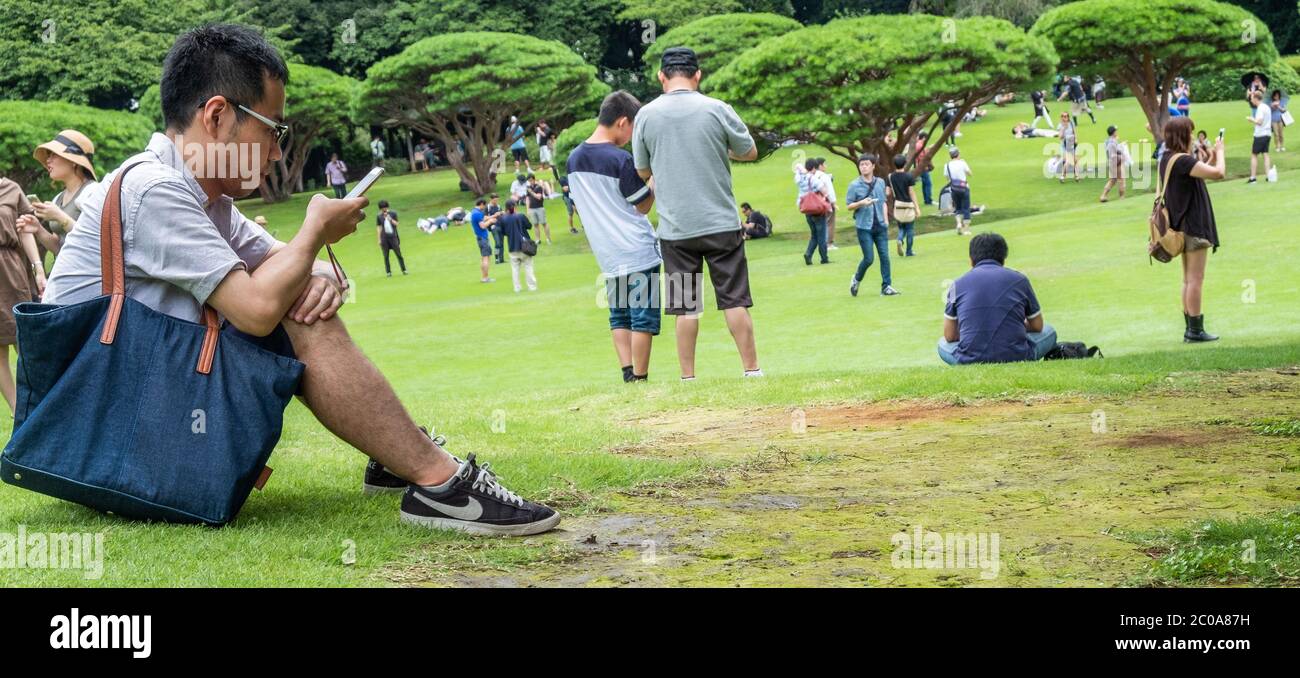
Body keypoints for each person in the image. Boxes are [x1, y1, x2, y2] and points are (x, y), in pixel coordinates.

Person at [41, 23, 558, 536]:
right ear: (218, 116)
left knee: (297, 295)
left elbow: (291, 264)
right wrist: (313, 236)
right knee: (290, 311)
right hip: (108, 429)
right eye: (274, 129)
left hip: (137, 410)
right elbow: (258, 308)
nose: (277, 151)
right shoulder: (153, 191)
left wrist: (320, 267)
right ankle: (440, 484)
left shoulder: (205, 197)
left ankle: (401, 457)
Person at [631, 46, 762, 380]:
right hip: (720, 222)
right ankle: (752, 370)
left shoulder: (645, 115)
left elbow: (643, 171)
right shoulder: (717, 108)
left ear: (662, 76)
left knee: (685, 307)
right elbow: (749, 152)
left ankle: (688, 378)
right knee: (734, 300)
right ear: (697, 75)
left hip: (676, 229)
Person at [566, 90, 662, 382]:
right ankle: (642, 377)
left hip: (607, 254)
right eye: (633, 127)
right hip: (637, 249)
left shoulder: (573, 159)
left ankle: (628, 373)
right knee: (643, 316)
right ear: (622, 122)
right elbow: (643, 205)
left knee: (619, 315)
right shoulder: (620, 159)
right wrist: (655, 176)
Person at [939, 233, 1056, 365]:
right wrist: (1010, 325)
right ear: (1003, 258)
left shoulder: (956, 284)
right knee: (1049, 331)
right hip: (1018, 355)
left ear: (971, 259)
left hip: (969, 360)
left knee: (942, 343)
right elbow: (1037, 326)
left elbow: (949, 335)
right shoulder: (1019, 280)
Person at [1159, 116, 1225, 342]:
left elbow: (1200, 173)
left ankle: (1191, 327)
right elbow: (1219, 174)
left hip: (1181, 226)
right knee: (1196, 279)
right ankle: (1195, 330)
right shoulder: (1184, 161)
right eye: (1191, 133)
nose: (1194, 138)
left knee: (1188, 280)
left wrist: (1212, 156)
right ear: (1183, 135)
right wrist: (1221, 151)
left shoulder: (1168, 158)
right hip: (1194, 225)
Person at [18, 130, 99, 265]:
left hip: (87, 274)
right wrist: (38, 228)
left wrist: (59, 216)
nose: (48, 160)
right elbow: (58, 247)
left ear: (73, 161)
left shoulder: (92, 192)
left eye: (54, 155)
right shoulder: (58, 198)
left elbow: (94, 239)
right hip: (64, 271)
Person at [0, 176, 45, 413]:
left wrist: (38, 267)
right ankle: (19, 412)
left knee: (25, 342)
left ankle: (40, 404)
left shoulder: (10, 188)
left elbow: (25, 230)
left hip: (10, 269)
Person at [845, 153, 899, 298]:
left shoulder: (880, 182)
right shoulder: (854, 185)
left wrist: (886, 220)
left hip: (880, 225)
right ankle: (856, 279)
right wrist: (861, 203)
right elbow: (849, 206)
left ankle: (886, 286)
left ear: (873, 166)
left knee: (885, 257)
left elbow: (882, 202)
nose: (863, 167)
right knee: (869, 258)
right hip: (864, 227)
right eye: (861, 164)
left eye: (866, 164)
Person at [796, 157, 831, 265]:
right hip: (817, 209)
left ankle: (809, 254)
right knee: (821, 235)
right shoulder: (813, 178)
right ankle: (824, 258)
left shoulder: (799, 179)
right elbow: (824, 191)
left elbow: (798, 168)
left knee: (814, 234)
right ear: (814, 168)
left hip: (806, 209)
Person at [497, 199, 537, 292]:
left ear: (506, 208)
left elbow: (502, 232)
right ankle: (532, 287)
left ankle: (517, 288)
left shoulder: (503, 219)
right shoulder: (521, 216)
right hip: (525, 247)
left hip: (512, 246)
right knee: (528, 266)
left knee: (515, 269)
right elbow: (529, 226)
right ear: (515, 207)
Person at [887, 154, 920, 257]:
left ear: (894, 164)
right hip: (908, 205)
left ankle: (900, 239)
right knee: (910, 229)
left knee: (901, 228)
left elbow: (887, 193)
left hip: (898, 205)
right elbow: (911, 193)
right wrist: (917, 208)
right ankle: (909, 251)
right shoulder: (909, 176)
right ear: (905, 163)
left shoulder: (890, 177)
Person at [943, 147, 973, 235]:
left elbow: (947, 177)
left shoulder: (947, 165)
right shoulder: (962, 163)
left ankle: (959, 223)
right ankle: (966, 229)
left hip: (954, 188)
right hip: (964, 187)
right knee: (966, 208)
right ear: (958, 154)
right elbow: (970, 173)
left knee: (957, 208)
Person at [468, 198, 497, 283]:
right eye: (484, 206)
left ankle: (484, 277)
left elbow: (483, 218)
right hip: (483, 238)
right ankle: (485, 278)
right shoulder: (477, 214)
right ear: (481, 204)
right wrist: (491, 221)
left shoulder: (474, 212)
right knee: (486, 258)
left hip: (480, 238)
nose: (484, 208)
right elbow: (483, 226)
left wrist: (492, 216)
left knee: (484, 258)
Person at [1248, 90, 1274, 183]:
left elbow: (1259, 122)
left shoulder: (1260, 108)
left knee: (1254, 155)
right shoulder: (1266, 107)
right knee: (1265, 154)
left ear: (1256, 98)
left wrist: (1251, 119)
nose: (1251, 101)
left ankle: (1253, 178)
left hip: (1260, 134)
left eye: (1252, 99)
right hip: (1267, 134)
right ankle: (1268, 176)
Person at [375, 200, 406, 277]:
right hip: (384, 238)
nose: (384, 210)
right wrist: (379, 239)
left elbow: (397, 224)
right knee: (386, 256)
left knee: (399, 254)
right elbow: (379, 227)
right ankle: (388, 272)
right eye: (382, 208)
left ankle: (404, 269)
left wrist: (390, 219)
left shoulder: (393, 213)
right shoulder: (379, 216)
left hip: (393, 237)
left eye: (385, 208)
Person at [1099, 125, 1128, 202]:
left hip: (1113, 162)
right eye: (1116, 131)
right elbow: (1113, 154)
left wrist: (1121, 144)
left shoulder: (1110, 141)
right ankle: (1122, 197)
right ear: (1114, 132)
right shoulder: (1112, 142)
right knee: (1120, 179)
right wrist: (1121, 158)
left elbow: (1116, 149)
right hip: (1116, 162)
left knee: (1113, 180)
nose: (1117, 132)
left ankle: (1103, 196)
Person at [525, 173, 552, 244]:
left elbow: (539, 197)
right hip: (532, 209)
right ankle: (537, 239)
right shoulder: (528, 188)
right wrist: (528, 209)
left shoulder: (538, 187)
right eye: (529, 181)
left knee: (544, 223)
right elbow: (527, 199)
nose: (530, 182)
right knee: (535, 224)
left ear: (534, 179)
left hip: (539, 208)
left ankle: (548, 239)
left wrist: (531, 192)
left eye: (531, 180)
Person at [818, 157, 839, 250]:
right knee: (830, 223)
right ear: (820, 166)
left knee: (821, 224)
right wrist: (833, 203)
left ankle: (822, 243)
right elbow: (830, 191)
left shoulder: (811, 176)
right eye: (824, 164)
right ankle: (829, 244)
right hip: (826, 202)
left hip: (816, 203)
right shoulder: (825, 176)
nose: (825, 166)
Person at [913, 131, 934, 206]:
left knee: (925, 184)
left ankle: (927, 200)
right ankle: (928, 200)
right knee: (928, 183)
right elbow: (922, 157)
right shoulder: (919, 145)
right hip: (922, 167)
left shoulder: (918, 144)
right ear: (924, 138)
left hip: (920, 167)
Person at [1057, 112, 1078, 183]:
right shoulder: (1060, 125)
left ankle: (1076, 176)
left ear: (1068, 117)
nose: (1065, 117)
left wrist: (1076, 139)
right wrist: (1063, 128)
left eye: (1066, 116)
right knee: (1068, 160)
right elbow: (1060, 137)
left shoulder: (1071, 123)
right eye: (1063, 116)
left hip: (1072, 143)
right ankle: (1063, 176)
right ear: (1061, 117)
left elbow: (1074, 132)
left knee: (1075, 160)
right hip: (1065, 145)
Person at [485, 192, 505, 263]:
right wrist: (494, 215)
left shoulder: (498, 206)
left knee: (502, 243)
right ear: (491, 199)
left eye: (497, 200)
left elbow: (502, 215)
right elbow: (484, 218)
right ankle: (496, 259)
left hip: (500, 226)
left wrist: (502, 213)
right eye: (495, 200)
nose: (496, 201)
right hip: (493, 227)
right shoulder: (487, 207)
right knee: (498, 243)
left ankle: (502, 259)